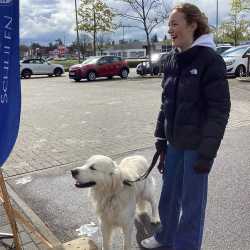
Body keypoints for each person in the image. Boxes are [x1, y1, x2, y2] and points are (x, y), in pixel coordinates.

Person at [141, 3, 231, 250]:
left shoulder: (210, 60)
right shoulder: (171, 60)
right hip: (173, 143)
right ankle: (165, 237)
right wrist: (160, 138)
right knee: (169, 197)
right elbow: (166, 104)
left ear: (192, 25)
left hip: (197, 146)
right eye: (169, 24)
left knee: (192, 204)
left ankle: (187, 246)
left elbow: (219, 110)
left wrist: (207, 153)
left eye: (175, 23)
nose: (170, 29)